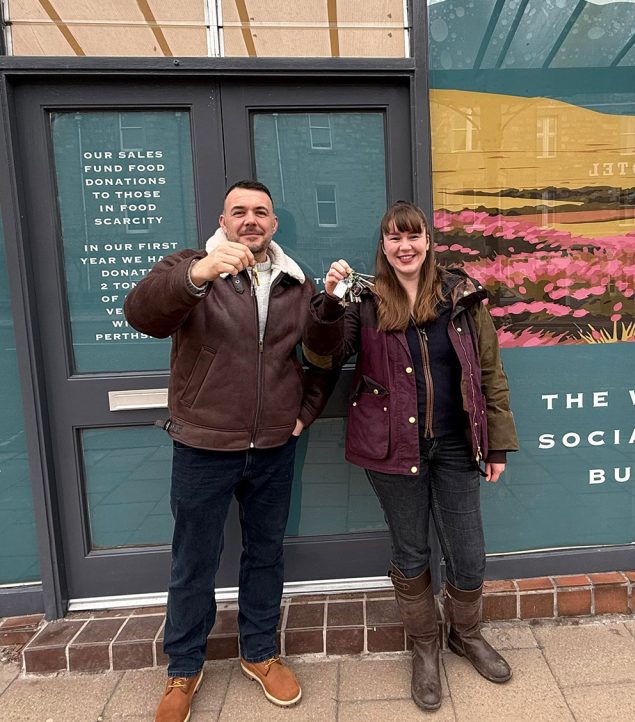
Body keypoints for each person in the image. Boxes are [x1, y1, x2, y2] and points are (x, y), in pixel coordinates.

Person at [124, 180, 334, 722]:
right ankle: (183, 667)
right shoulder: (190, 268)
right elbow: (142, 315)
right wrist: (197, 275)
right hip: (204, 443)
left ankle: (260, 652)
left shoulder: (296, 283)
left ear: (274, 224)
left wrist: (304, 413)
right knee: (194, 559)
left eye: (260, 212)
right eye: (239, 211)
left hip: (273, 447)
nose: (250, 220)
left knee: (265, 553)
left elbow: (319, 358)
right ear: (223, 220)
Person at [304, 200, 518, 711]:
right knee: (411, 551)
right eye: (395, 237)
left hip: (455, 444)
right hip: (391, 446)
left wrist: (497, 442)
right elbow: (322, 355)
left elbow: (489, 372)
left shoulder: (460, 295)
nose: (405, 246)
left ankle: (465, 634)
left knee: (468, 552)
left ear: (427, 241)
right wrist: (329, 304)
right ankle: (424, 646)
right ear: (383, 245)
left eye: (413, 236)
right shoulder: (364, 300)